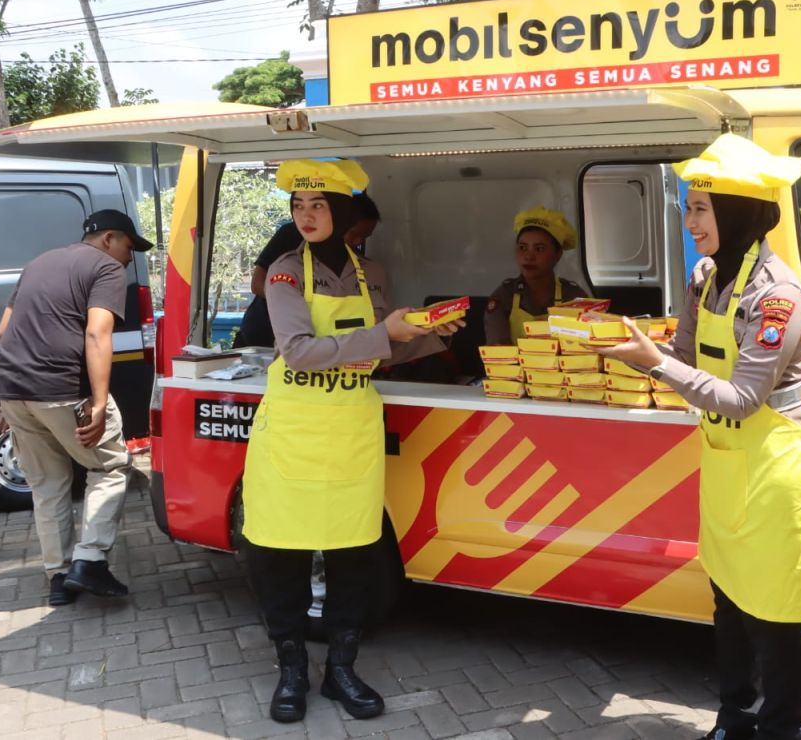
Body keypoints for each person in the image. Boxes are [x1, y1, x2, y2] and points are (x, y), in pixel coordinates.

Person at [597, 134, 801, 740]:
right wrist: (617, 339)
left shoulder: (779, 297)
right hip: (730, 462)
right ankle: (735, 716)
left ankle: (784, 728)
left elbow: (744, 396)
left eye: (700, 207)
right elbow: (681, 356)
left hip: (780, 467)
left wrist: (653, 364)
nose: (688, 219)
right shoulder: (707, 278)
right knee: (728, 601)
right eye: (688, 205)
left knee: (774, 613)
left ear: (738, 211)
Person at [242, 159, 459, 724]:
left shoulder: (373, 274)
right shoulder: (286, 273)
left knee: (353, 557)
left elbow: (384, 348)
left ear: (342, 213)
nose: (307, 216)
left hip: (350, 432)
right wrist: (385, 333)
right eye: (299, 206)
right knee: (281, 557)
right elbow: (299, 351)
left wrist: (425, 333)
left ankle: (341, 669)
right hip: (293, 432)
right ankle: (291, 668)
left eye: (318, 206)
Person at [0, 208, 152, 607]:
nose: (129, 258)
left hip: (13, 387)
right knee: (112, 466)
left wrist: (13, 395)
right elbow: (98, 334)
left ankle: (58, 577)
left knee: (47, 485)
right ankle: (91, 560)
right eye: (129, 247)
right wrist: (99, 403)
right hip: (63, 388)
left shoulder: (39, 262)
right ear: (108, 239)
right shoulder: (105, 268)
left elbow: (4, 330)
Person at [234, 193, 381, 348]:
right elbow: (257, 283)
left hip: (319, 344)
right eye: (353, 235)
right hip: (264, 334)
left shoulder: (358, 262)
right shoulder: (292, 234)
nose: (357, 242)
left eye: (364, 237)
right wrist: (295, 304)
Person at [484, 206, 588, 345]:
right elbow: (497, 348)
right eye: (523, 247)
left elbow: (587, 346)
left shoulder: (573, 296)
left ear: (557, 254)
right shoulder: (504, 295)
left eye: (539, 249)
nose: (528, 256)